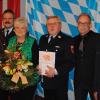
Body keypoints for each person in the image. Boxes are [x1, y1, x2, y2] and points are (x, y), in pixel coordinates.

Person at [38, 16, 73, 100]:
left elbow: (70, 62)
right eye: (49, 24)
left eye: (54, 24)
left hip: (59, 83)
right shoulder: (43, 38)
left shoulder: (67, 40)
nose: (51, 26)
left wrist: (55, 71)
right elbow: (41, 56)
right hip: (46, 81)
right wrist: (38, 66)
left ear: (60, 26)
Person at [7, 17, 39, 100]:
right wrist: (11, 58)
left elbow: (36, 61)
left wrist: (23, 65)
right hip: (13, 79)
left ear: (26, 29)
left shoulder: (32, 41)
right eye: (17, 27)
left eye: (22, 27)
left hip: (28, 80)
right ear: (14, 29)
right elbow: (6, 57)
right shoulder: (11, 40)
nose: (19, 30)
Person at [73, 13, 97, 100]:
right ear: (77, 24)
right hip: (79, 82)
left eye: (85, 23)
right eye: (80, 23)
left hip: (95, 83)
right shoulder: (74, 40)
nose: (82, 25)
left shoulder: (98, 38)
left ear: (90, 25)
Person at [0, 9, 15, 100]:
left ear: (14, 20)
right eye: (5, 18)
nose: (7, 20)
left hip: (14, 74)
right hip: (1, 75)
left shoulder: (19, 33)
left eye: (10, 18)